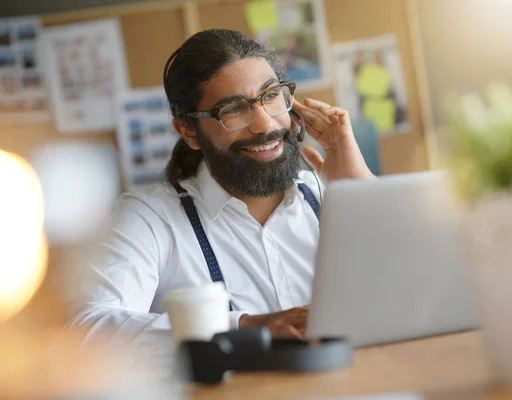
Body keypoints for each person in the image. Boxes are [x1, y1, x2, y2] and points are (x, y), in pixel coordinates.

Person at [67, 29, 373, 351]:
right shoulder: (152, 218)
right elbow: (86, 329)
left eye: (271, 96)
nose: (265, 124)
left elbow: (422, 288)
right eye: (233, 109)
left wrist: (360, 189)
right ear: (189, 131)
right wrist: (247, 326)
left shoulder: (333, 194)